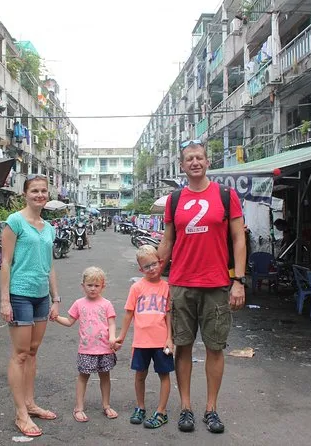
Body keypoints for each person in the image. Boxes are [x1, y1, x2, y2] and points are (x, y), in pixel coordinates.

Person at [158, 140, 246, 434]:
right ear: (182, 166)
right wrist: (152, 271)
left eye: (199, 157)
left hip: (216, 284)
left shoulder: (226, 195)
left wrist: (238, 281)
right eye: (189, 159)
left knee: (215, 348)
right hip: (181, 284)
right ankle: (185, 407)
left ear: (208, 162)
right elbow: (168, 240)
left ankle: (211, 409)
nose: (194, 162)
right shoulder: (174, 200)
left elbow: (239, 239)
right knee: (182, 346)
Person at [0, 173, 61, 438]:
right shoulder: (15, 221)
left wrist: (55, 298)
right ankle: (20, 413)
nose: (39, 195)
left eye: (43, 191)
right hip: (20, 294)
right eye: (34, 190)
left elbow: (49, 265)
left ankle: (30, 403)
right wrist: (5, 300)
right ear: (24, 194)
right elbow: (5, 262)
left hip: (41, 296)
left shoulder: (49, 228)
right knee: (21, 353)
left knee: (33, 351)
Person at [114, 245, 173, 429]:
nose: (152, 268)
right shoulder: (137, 287)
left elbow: (169, 314)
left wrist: (170, 338)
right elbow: (128, 314)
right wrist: (121, 336)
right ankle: (140, 407)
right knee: (140, 375)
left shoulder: (166, 287)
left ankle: (161, 411)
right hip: (141, 341)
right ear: (141, 269)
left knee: (164, 375)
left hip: (161, 341)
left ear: (160, 262)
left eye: (154, 264)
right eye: (147, 266)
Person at [54, 266, 118, 423]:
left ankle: (106, 405)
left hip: (105, 348)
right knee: (83, 377)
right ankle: (79, 407)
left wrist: (112, 337)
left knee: (105, 376)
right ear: (83, 286)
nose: (93, 288)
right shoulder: (79, 303)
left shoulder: (107, 304)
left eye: (96, 285)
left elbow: (111, 323)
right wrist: (56, 318)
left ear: (103, 286)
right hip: (86, 349)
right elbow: (69, 321)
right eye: (89, 285)